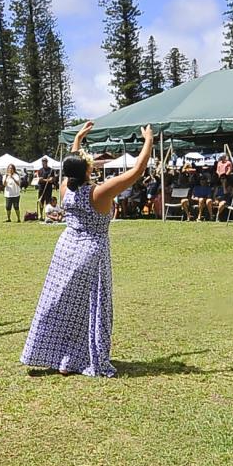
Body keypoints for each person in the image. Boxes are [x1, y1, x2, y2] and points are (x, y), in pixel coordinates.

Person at [20, 121, 154, 377]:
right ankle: (79, 358)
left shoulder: (64, 188)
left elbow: (72, 167)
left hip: (65, 249)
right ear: (87, 169)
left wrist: (78, 141)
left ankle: (62, 356)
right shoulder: (99, 193)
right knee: (91, 305)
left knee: (61, 304)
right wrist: (148, 140)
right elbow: (137, 171)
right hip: (90, 251)